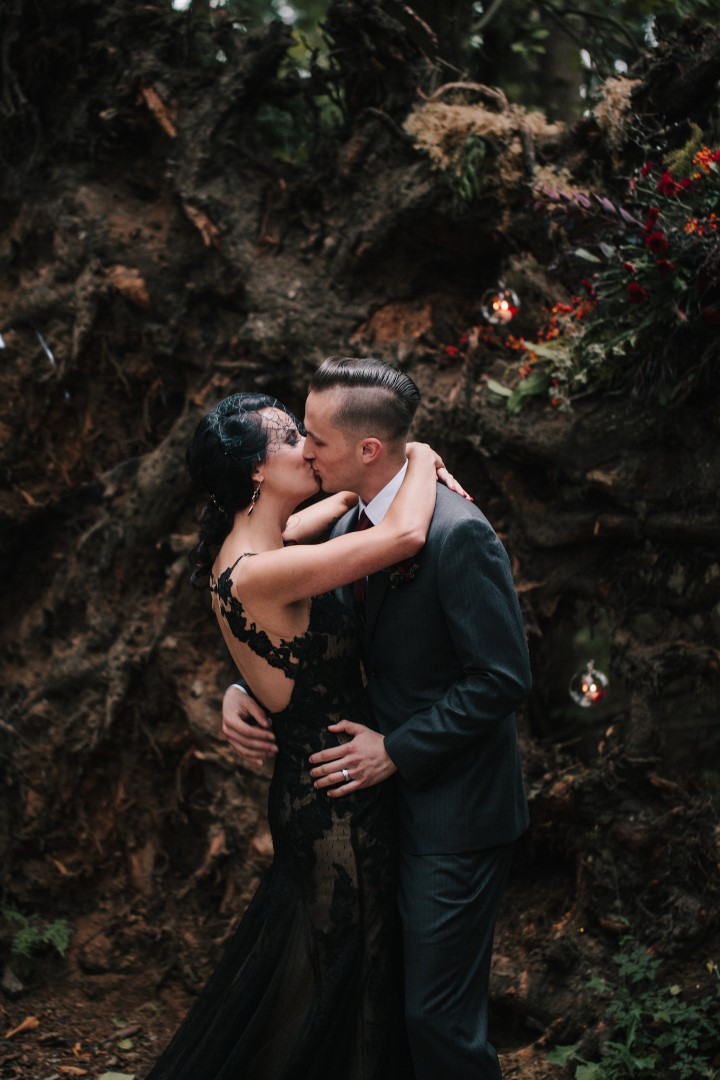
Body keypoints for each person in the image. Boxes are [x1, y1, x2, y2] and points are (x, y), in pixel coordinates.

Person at [223, 357, 532, 1080]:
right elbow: (287, 622)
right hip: (374, 815)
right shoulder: (348, 525)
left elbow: (503, 676)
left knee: (438, 1019)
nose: (303, 449)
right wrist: (244, 688)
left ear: (368, 450)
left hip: (455, 811)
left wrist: (398, 748)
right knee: (380, 1008)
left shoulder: (457, 532)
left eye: (316, 439)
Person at [146, 388, 452, 1080]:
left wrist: (240, 688)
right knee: (351, 987)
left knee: (334, 979)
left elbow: (323, 526)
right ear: (257, 471)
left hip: (323, 785)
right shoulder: (261, 568)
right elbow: (400, 538)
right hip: (337, 800)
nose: (308, 447)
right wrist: (421, 455)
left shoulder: (263, 545)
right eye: (290, 438)